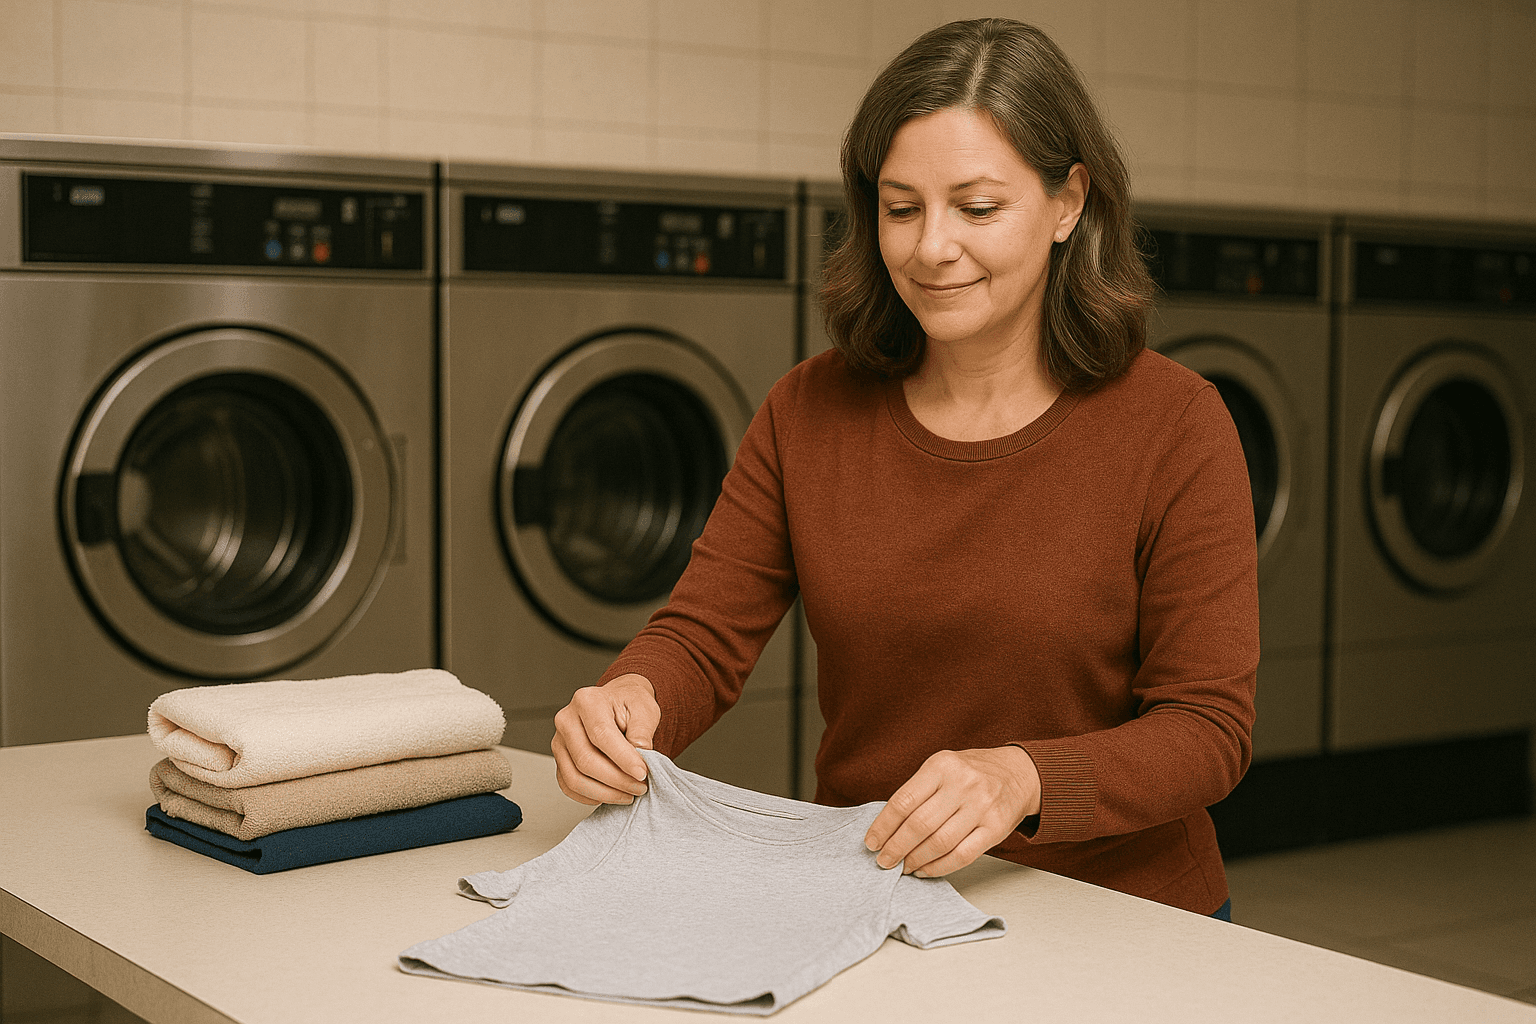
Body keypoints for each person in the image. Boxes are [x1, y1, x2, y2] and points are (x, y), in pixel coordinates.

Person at [551, 18, 1258, 919]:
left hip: (1123, 913)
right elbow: (702, 635)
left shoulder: (1176, 424)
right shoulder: (808, 411)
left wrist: (1022, 777)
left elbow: (1208, 731)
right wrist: (629, 697)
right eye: (901, 207)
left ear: (1068, 204)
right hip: (875, 896)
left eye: (977, 207)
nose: (931, 247)